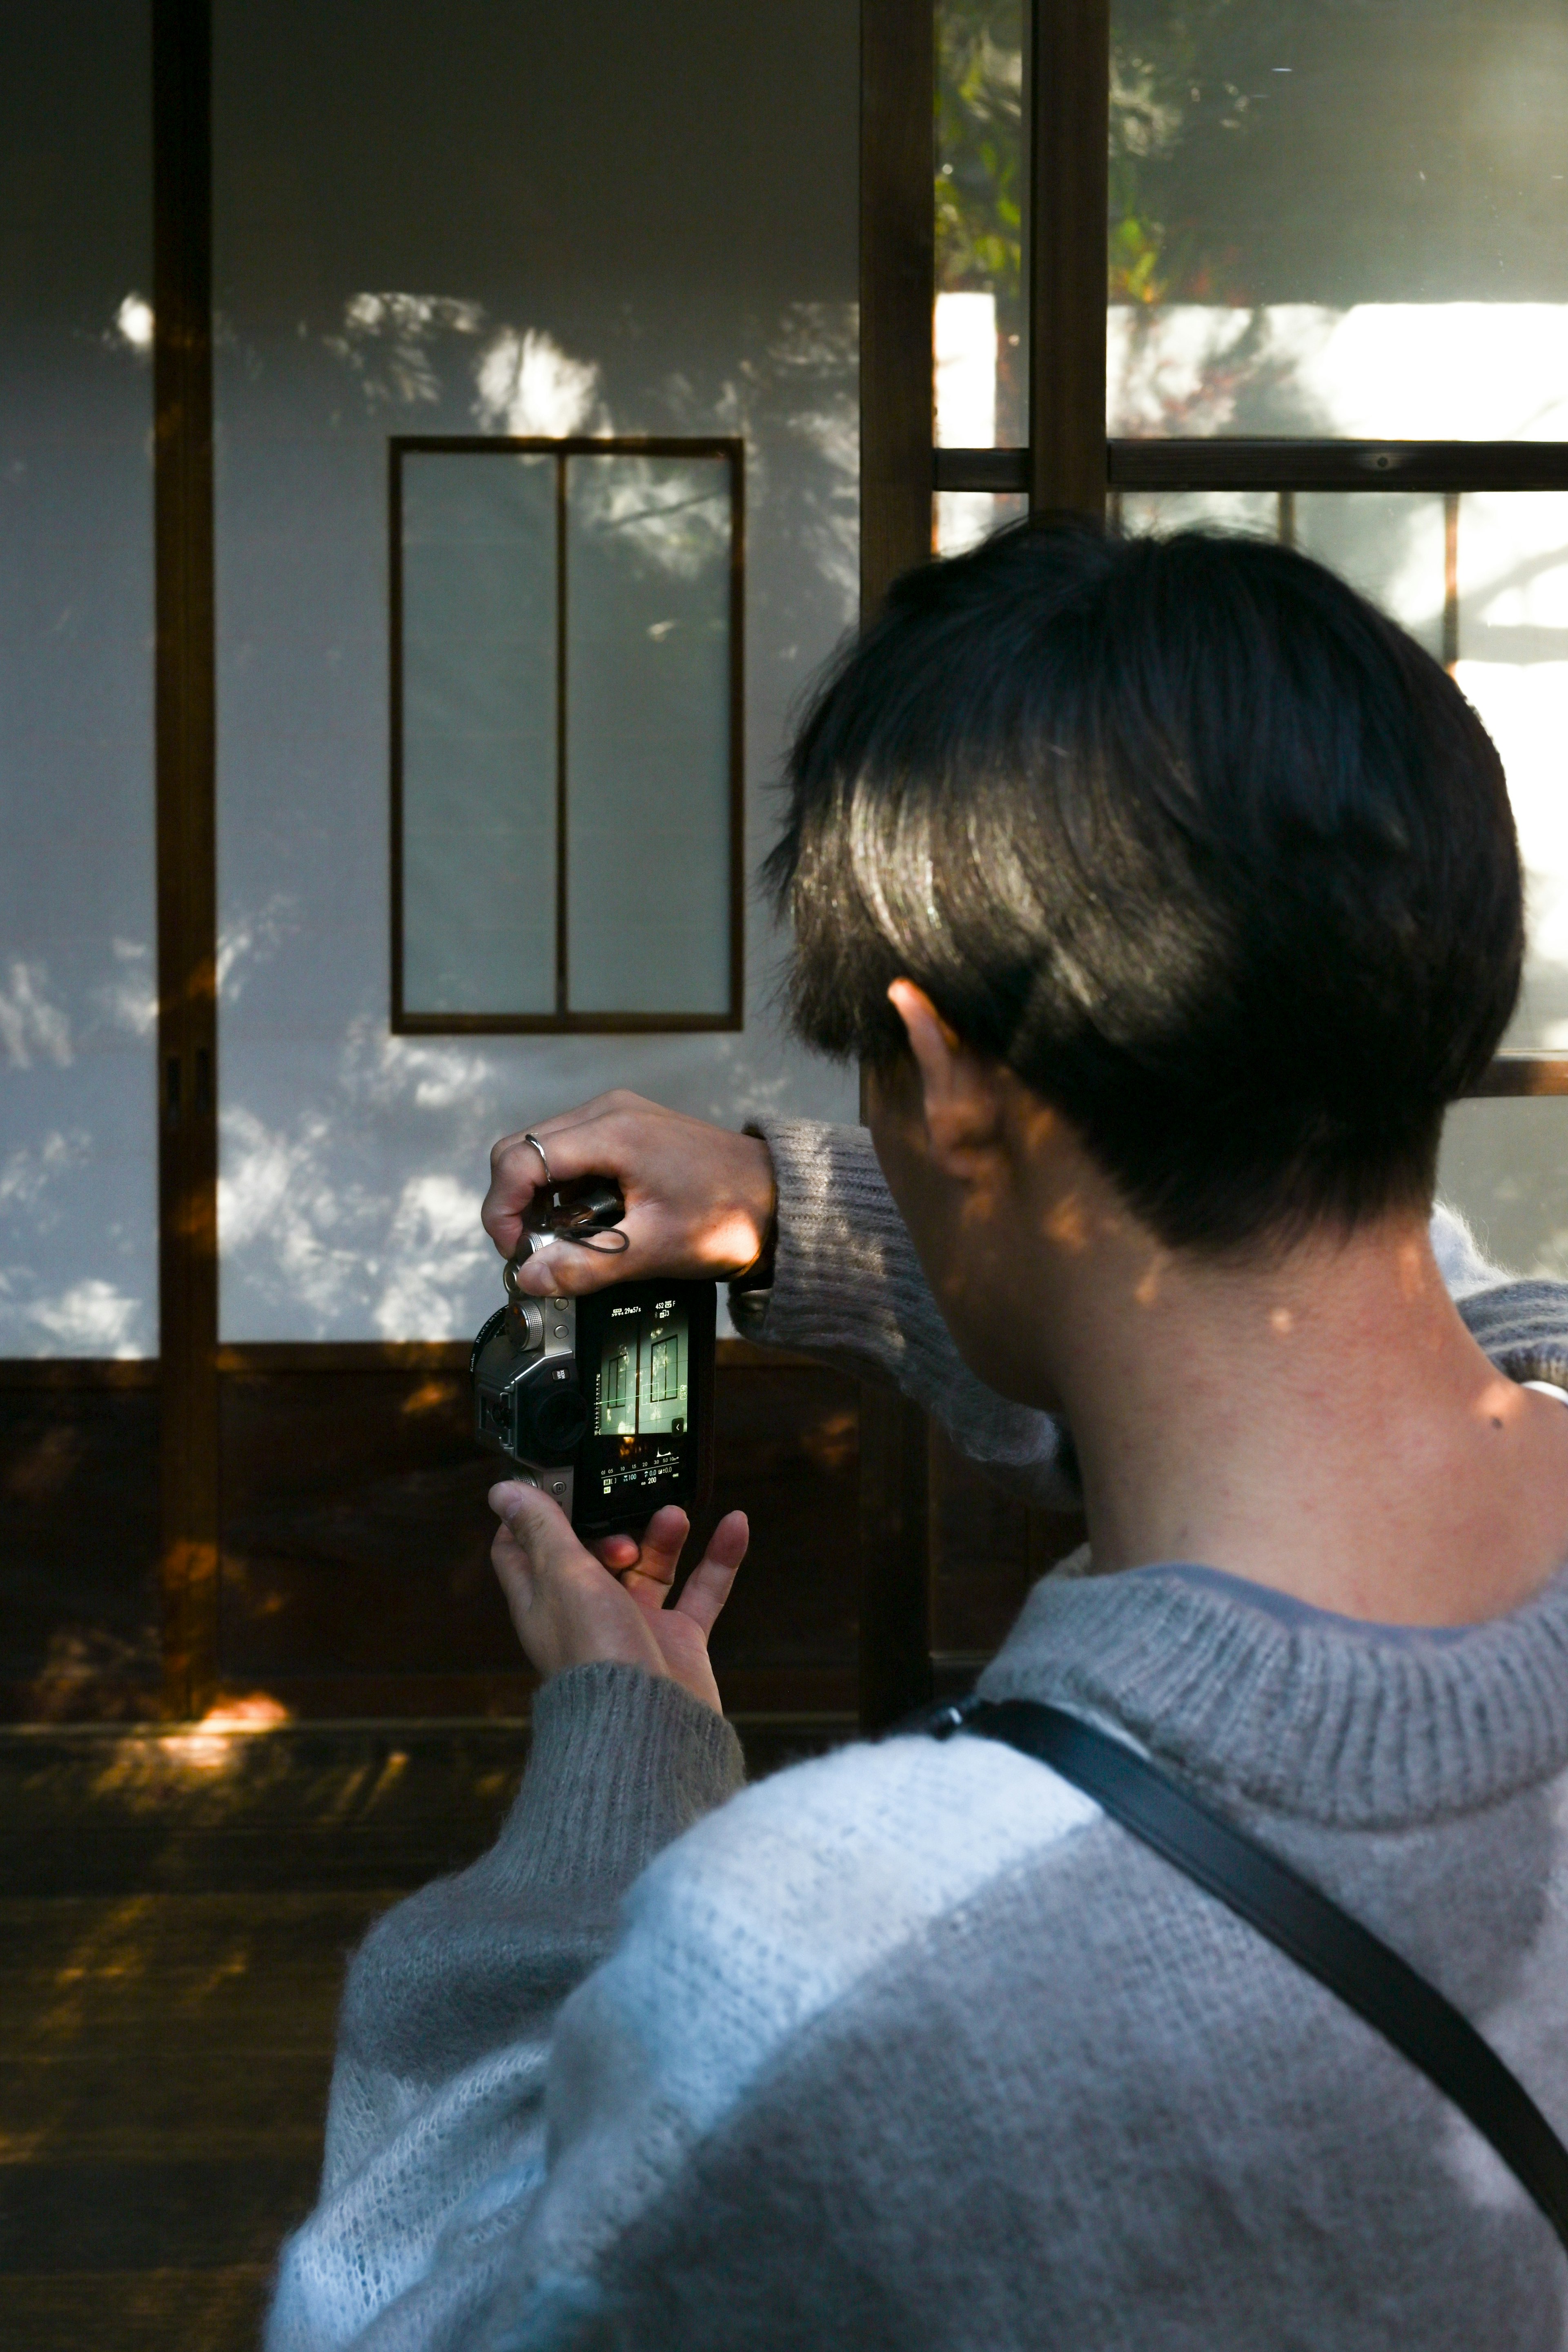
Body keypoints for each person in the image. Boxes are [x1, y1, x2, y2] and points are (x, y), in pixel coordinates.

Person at [268, 521, 1568, 2350]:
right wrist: (782, 1204)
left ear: (939, 1070)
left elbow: (392, 2315)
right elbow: (1448, 1319)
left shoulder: (828, 1956)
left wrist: (614, 1785)